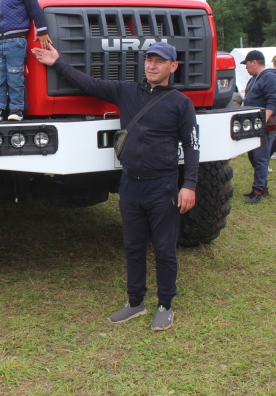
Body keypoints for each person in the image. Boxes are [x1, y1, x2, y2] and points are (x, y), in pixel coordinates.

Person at [32, 42, 198, 332]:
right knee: (133, 247)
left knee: (164, 249)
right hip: (130, 186)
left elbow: (192, 146)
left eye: (160, 61)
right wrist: (57, 61)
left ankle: (165, 305)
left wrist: (190, 184)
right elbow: (88, 83)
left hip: (163, 187)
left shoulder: (180, 103)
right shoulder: (127, 91)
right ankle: (135, 302)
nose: (152, 66)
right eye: (148, 60)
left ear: (173, 67)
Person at [239, 50, 276, 204]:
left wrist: (263, 121)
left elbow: (272, 101)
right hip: (253, 123)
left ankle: (258, 190)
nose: (246, 67)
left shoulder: (269, 77)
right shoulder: (255, 79)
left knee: (260, 156)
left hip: (263, 124)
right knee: (253, 156)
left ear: (254, 62)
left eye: (247, 64)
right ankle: (262, 186)